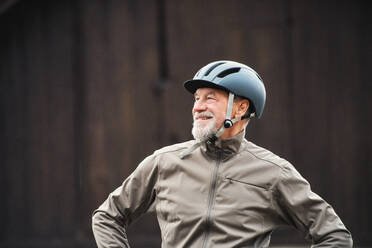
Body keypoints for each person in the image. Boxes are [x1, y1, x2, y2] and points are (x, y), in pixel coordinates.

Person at [92, 60, 353, 247]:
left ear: (240, 108)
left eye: (210, 98)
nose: (198, 107)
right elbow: (107, 217)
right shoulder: (164, 162)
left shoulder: (274, 173)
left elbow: (334, 236)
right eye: (196, 98)